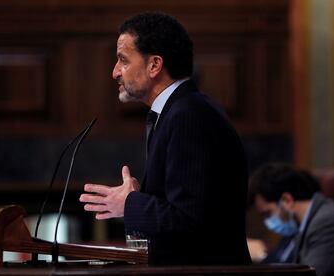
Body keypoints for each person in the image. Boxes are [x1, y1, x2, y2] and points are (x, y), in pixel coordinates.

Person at [79, 11, 251, 266]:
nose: (115, 72)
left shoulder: (188, 115)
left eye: (123, 61)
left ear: (154, 65)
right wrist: (140, 199)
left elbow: (189, 219)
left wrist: (129, 204)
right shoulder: (178, 111)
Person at [249, 163, 334, 276]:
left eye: (267, 213)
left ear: (287, 200)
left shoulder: (328, 223)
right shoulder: (297, 226)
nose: (267, 222)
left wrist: (261, 255)